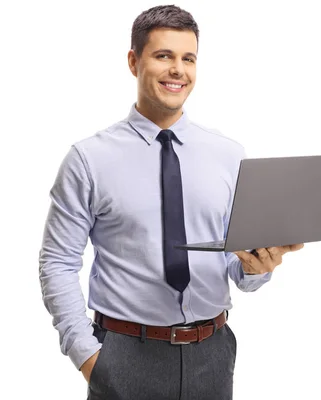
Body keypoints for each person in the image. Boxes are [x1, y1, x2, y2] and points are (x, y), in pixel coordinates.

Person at [39, 5, 304, 400]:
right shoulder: (89, 159)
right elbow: (57, 261)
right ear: (134, 61)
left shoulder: (229, 155)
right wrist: (89, 357)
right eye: (163, 56)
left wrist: (258, 267)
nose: (178, 69)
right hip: (125, 354)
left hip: (212, 353)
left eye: (188, 58)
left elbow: (235, 263)